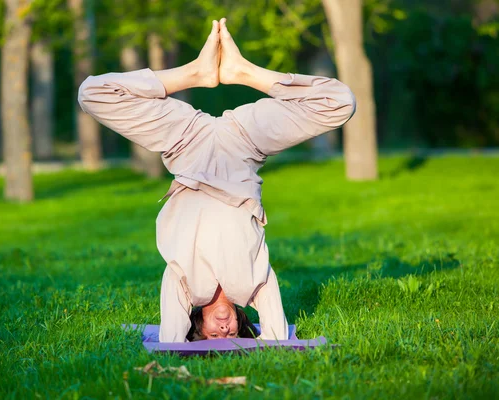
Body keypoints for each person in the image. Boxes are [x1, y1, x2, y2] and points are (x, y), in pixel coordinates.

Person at [78, 18, 356, 342]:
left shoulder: (184, 285)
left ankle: (194, 73)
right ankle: (245, 73)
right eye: (233, 335)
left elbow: (170, 342)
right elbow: (278, 340)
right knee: (340, 103)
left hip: (185, 144)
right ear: (241, 324)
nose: (224, 331)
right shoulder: (254, 285)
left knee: (92, 93)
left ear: (197, 327)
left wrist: (178, 343)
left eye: (213, 337)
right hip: (243, 145)